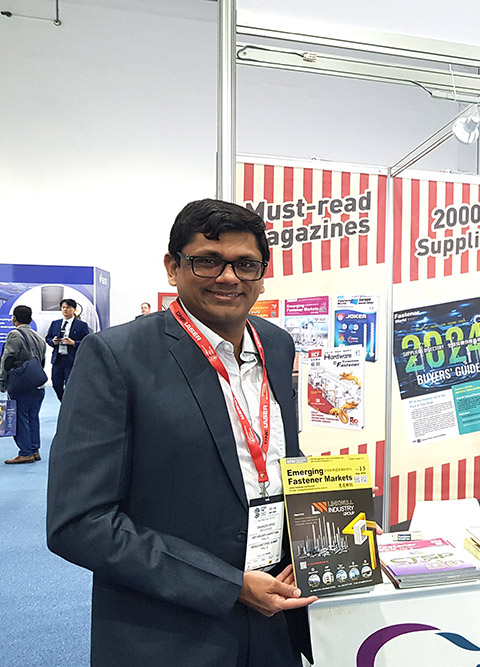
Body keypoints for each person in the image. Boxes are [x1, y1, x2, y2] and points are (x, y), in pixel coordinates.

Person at [47, 199, 315, 666]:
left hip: (274, 621)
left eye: (245, 264)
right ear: (173, 268)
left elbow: (272, 461)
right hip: (169, 632)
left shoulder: (276, 344)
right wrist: (231, 586)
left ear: (262, 274)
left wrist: (331, 521)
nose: (228, 277)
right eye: (207, 261)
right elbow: (80, 523)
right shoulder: (117, 356)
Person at [1, 305, 47, 464]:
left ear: (14, 319)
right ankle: (34, 450)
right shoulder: (39, 337)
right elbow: (41, 362)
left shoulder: (14, 335)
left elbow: (7, 360)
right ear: (31, 319)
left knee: (19, 417)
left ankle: (25, 452)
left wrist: (2, 381)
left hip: (21, 385)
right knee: (33, 417)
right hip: (37, 384)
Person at [45, 297, 90, 401]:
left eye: (68, 307)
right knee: (56, 384)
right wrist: (53, 342)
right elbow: (48, 338)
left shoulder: (82, 325)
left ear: (74, 309)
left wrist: (73, 343)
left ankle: (68, 404)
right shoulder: (55, 323)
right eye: (63, 307)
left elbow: (87, 341)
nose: (65, 310)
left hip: (71, 359)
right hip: (58, 359)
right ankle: (64, 402)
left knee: (70, 385)